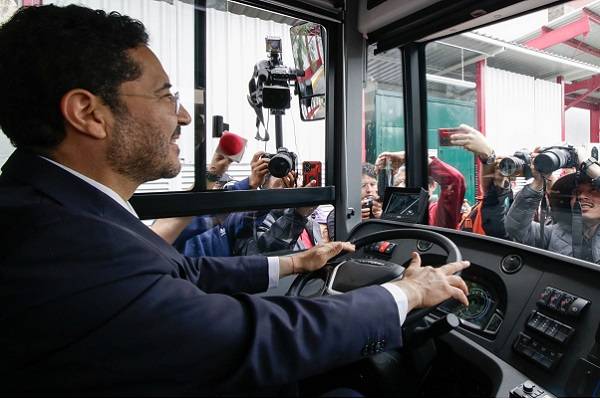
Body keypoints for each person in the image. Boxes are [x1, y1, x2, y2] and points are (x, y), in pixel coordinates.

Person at [0, 4, 470, 396]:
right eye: (166, 95)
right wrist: (406, 292)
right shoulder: (59, 242)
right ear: (88, 113)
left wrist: (293, 263)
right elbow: (252, 338)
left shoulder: (57, 212)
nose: (183, 115)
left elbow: (181, 272)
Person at [505, 159, 600, 263]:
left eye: (593, 191)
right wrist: (538, 182)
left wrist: (587, 162)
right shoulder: (551, 234)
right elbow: (516, 228)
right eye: (577, 192)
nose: (581, 196)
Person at [375, 151, 466, 228]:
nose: (403, 187)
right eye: (398, 183)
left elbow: (454, 181)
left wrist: (411, 157)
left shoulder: (434, 214)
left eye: (407, 183)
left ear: (432, 186)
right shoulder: (387, 213)